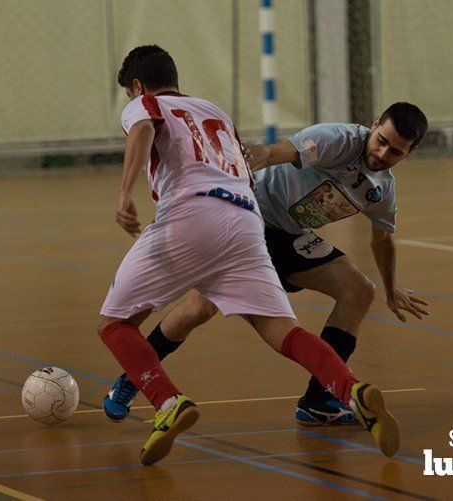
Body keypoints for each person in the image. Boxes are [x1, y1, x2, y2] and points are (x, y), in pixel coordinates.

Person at [99, 44, 401, 465]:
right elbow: (269, 153)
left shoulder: (145, 103)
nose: (386, 153)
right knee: (273, 328)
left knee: (115, 322)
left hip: (201, 214)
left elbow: (144, 129)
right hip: (248, 220)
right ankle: (349, 388)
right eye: (384, 141)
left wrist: (123, 193)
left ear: (136, 86)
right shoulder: (215, 110)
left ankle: (167, 403)